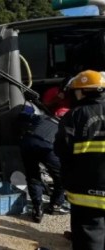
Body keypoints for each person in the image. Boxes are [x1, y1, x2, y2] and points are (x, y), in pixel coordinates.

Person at [54, 70, 105, 250]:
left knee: (89, 234)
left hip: (86, 190)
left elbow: (61, 149)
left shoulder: (74, 116)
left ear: (83, 92)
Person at [18, 104, 65, 223]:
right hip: (47, 147)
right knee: (62, 178)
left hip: (28, 143)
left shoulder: (43, 118)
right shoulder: (65, 127)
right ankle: (55, 205)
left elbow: (23, 115)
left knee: (33, 176)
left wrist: (27, 107)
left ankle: (37, 209)